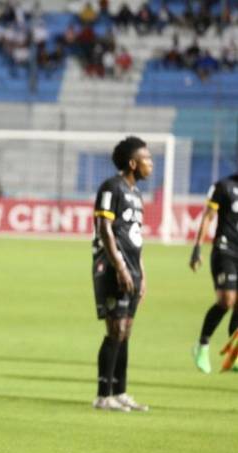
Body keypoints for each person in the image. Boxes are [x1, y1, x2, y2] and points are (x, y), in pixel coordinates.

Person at [91, 136, 151, 412]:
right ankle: (103, 395)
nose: (150, 164)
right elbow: (104, 227)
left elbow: (135, 238)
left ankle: (121, 391)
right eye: (146, 159)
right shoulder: (111, 187)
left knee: (126, 331)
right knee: (115, 329)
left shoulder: (137, 194)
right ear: (132, 163)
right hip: (112, 268)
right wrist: (121, 267)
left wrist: (142, 272)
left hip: (131, 269)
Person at [189, 171, 238, 373]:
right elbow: (208, 217)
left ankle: (233, 356)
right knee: (227, 300)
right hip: (224, 250)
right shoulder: (223, 186)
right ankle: (202, 345)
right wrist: (197, 248)